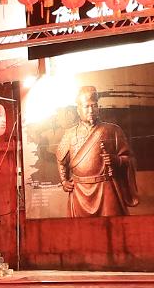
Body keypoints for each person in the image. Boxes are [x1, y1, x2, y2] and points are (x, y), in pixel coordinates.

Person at [55, 85, 137, 217]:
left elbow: (130, 160)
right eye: (86, 106)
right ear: (78, 110)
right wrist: (64, 181)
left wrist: (117, 160)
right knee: (81, 229)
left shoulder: (113, 130)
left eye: (94, 106)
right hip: (79, 192)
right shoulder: (70, 134)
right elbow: (61, 160)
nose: (91, 110)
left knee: (113, 226)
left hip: (106, 189)